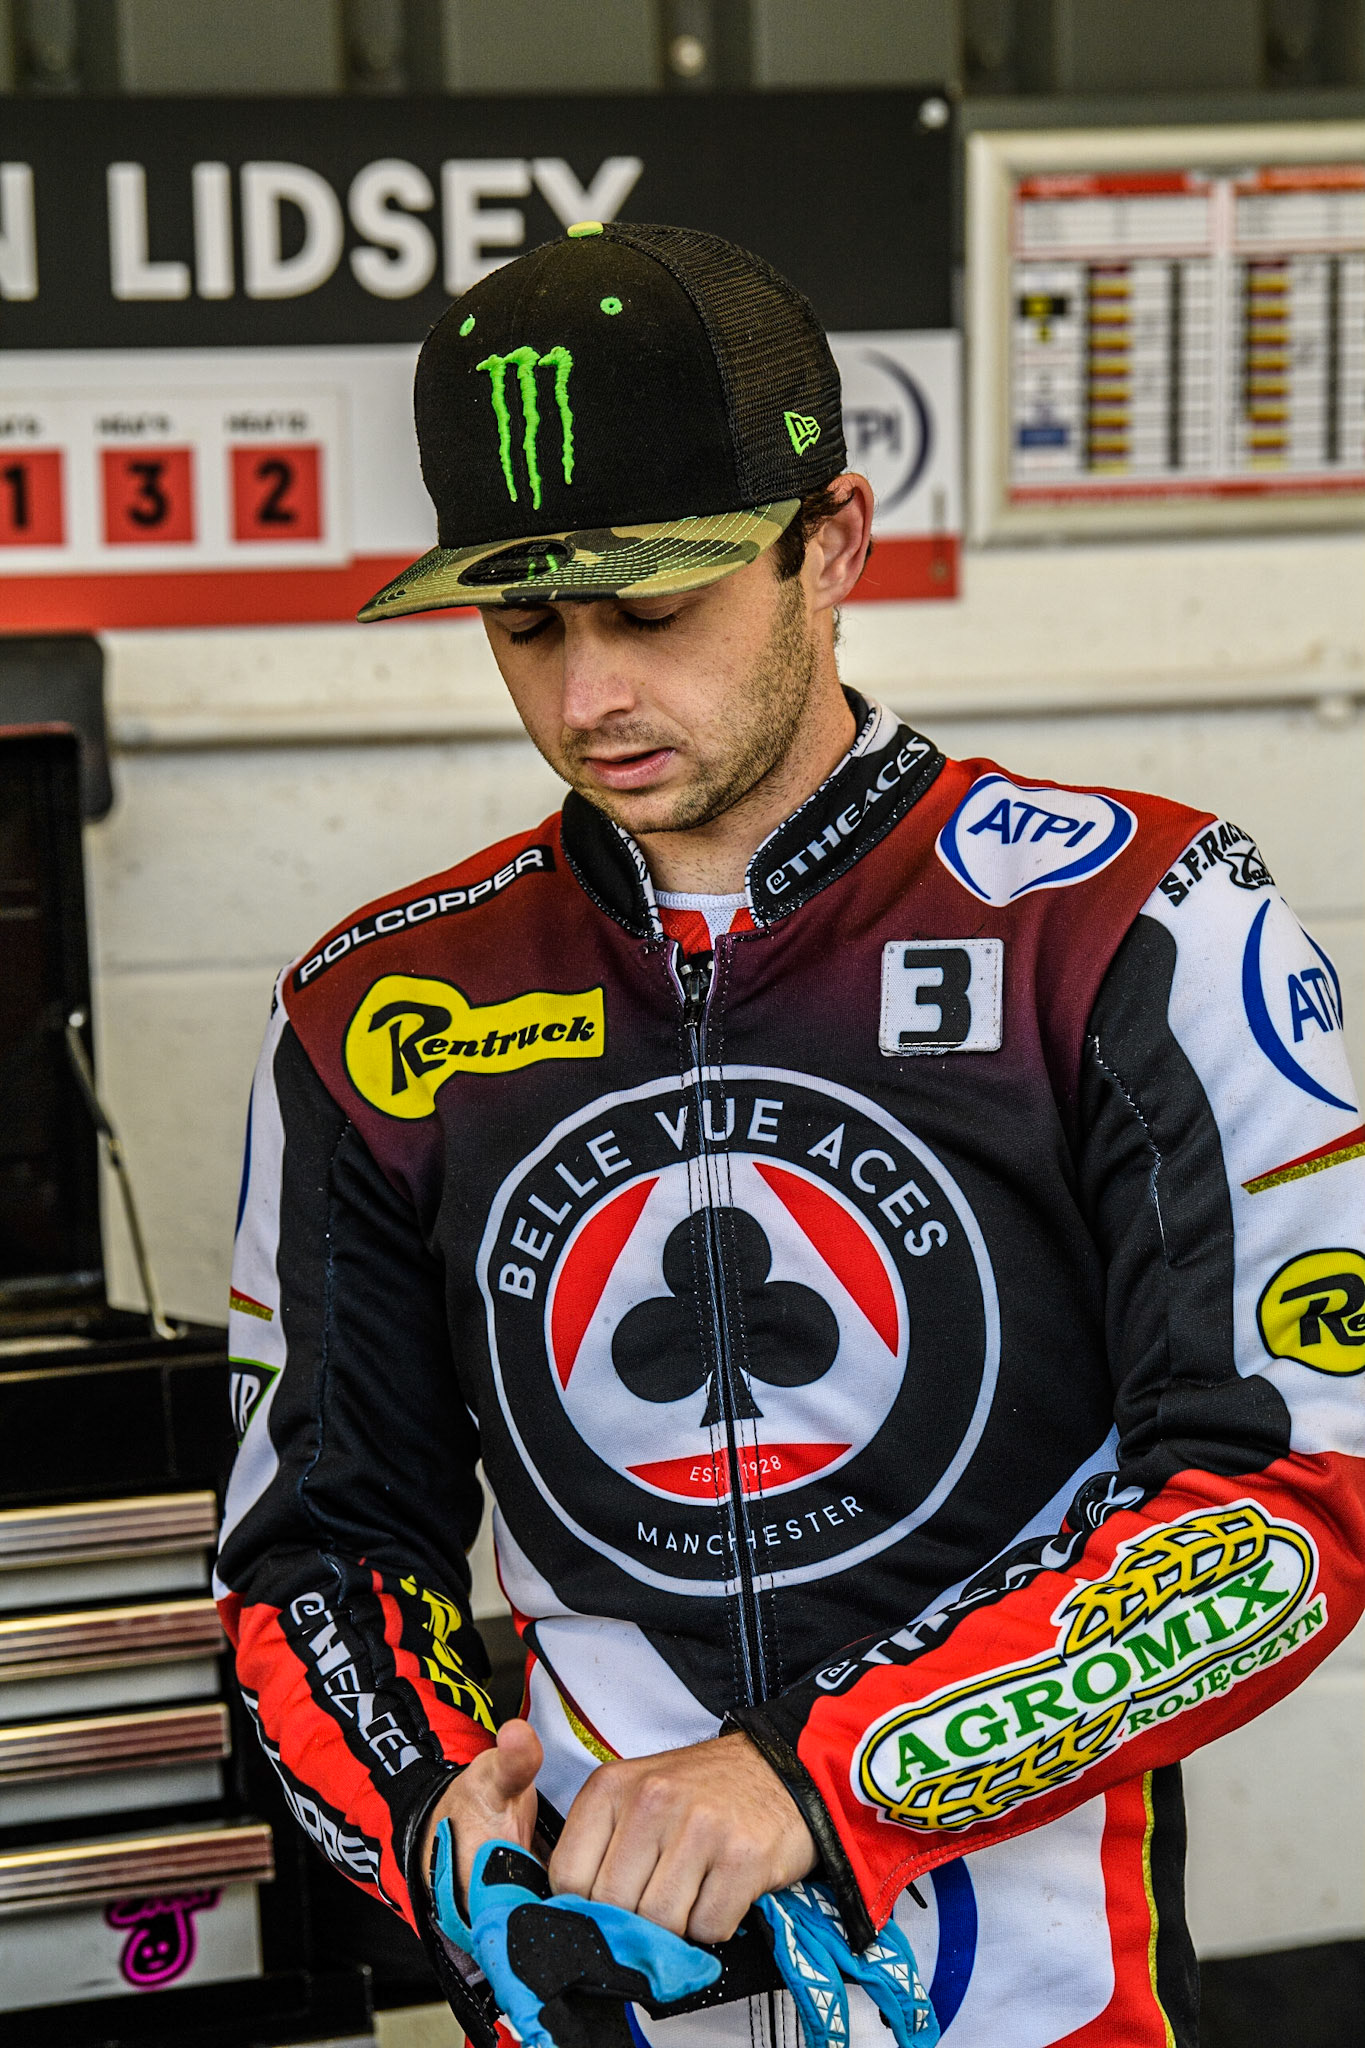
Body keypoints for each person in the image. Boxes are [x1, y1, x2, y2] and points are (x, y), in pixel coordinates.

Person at [215, 222, 1365, 2048]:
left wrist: (823, 1785)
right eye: (526, 622)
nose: (586, 695)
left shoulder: (1134, 917)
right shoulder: (371, 1015)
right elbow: (314, 1549)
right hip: (591, 1987)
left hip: (1040, 1993)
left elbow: (1283, 1496)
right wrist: (438, 1834)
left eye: (655, 608)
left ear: (832, 541)